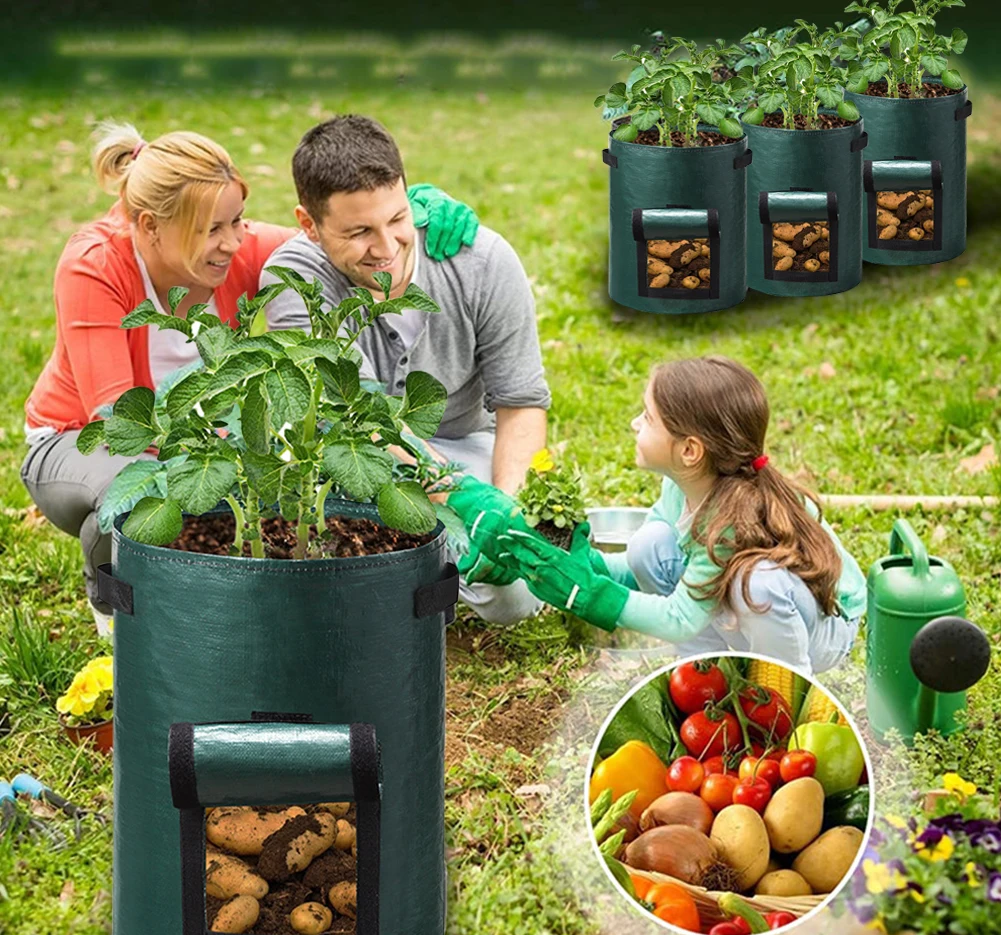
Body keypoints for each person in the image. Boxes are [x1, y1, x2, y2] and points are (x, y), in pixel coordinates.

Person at [20, 121, 476, 633]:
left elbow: (329, 239)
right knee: (135, 501)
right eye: (211, 229)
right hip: (78, 440)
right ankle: (116, 616)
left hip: (200, 443)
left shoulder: (239, 249)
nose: (233, 242)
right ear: (150, 226)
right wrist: (230, 461)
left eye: (237, 220)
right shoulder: (94, 265)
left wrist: (412, 211)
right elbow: (121, 418)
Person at [263, 114, 551, 626]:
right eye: (359, 232)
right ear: (309, 225)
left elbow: (521, 403)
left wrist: (503, 510)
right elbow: (361, 421)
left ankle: (412, 580)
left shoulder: (482, 261)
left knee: (517, 598)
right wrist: (459, 498)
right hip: (351, 459)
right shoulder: (295, 280)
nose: (388, 248)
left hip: (463, 447)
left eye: (397, 219)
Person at [450, 356, 866, 673]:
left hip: (823, 628)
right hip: (751, 596)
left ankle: (782, 689)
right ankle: (705, 673)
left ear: (689, 450)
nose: (634, 423)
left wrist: (594, 596)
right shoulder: (682, 486)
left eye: (648, 418)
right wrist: (573, 562)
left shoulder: (735, 521)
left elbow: (682, 616)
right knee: (650, 546)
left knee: (754, 586)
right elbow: (637, 568)